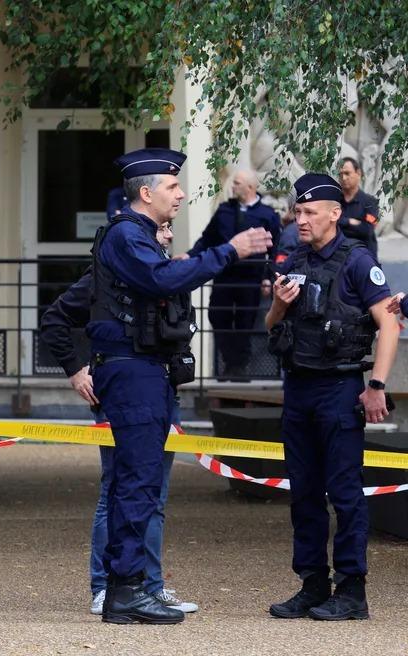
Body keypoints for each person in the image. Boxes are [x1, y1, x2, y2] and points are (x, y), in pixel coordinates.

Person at [88, 147, 272, 625]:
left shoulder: (139, 234)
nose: (182, 194)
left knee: (142, 483)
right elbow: (161, 278)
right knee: (136, 483)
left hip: (145, 370)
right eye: (172, 187)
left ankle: (128, 589)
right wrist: (229, 251)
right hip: (132, 371)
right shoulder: (129, 236)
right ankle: (126, 590)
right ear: (145, 193)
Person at [39, 221, 198, 617]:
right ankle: (106, 585)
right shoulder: (107, 276)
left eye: (168, 229)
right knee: (118, 488)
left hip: (162, 391)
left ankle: (148, 584)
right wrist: (77, 371)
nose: (165, 235)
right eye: (159, 228)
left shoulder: (162, 276)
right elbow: (55, 320)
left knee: (152, 494)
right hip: (124, 393)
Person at [266, 173, 399, 621]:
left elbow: (390, 324)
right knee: (303, 492)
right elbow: (271, 326)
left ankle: (352, 591)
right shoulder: (294, 259)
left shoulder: (357, 262)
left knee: (345, 493)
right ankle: (312, 585)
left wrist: (376, 385)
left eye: (308, 213)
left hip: (340, 390)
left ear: (334, 214)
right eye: (297, 212)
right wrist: (280, 306)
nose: (300, 220)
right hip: (299, 389)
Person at [179, 170, 280, 380]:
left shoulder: (267, 214)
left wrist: (268, 278)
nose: (232, 186)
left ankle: (239, 367)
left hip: (251, 278)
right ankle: (229, 362)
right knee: (217, 316)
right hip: (224, 274)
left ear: (250, 188)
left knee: (245, 321)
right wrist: (189, 256)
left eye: (237, 183)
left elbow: (275, 249)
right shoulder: (224, 210)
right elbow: (207, 239)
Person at [337, 157, 380, 256]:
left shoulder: (370, 203)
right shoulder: (334, 201)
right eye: (340, 174)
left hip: (364, 255)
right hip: (338, 256)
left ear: (358, 173)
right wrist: (351, 221)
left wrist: (341, 221)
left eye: (347, 173)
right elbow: (328, 225)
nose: (343, 178)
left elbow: (368, 230)